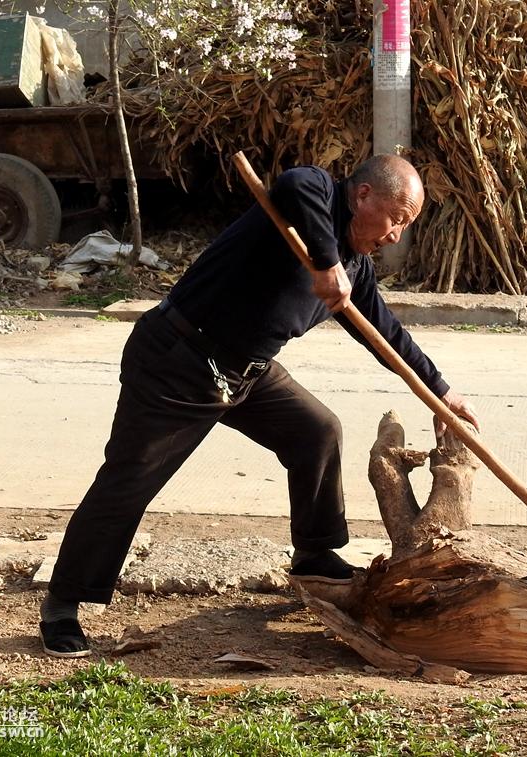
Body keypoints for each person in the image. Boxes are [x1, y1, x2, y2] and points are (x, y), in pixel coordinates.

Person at [37, 154, 480, 657]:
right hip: (179, 359)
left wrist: (441, 392)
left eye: (407, 225)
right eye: (397, 218)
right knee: (130, 479)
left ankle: (314, 553)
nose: (396, 234)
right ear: (363, 196)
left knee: (316, 430)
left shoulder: (355, 264)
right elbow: (293, 182)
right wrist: (325, 262)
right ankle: (64, 603)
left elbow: (384, 333)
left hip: (246, 371)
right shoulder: (314, 197)